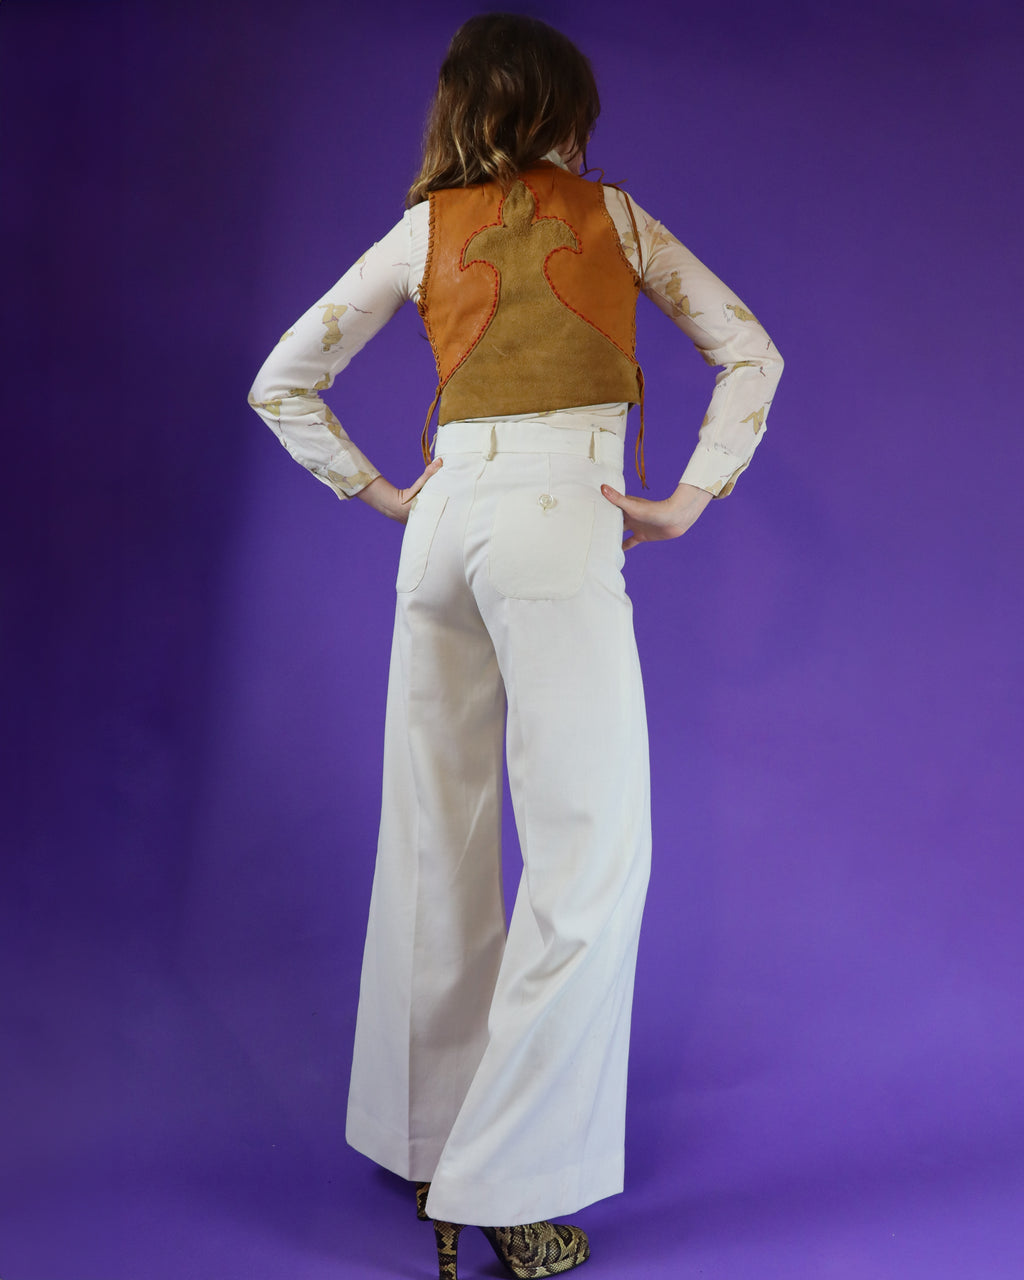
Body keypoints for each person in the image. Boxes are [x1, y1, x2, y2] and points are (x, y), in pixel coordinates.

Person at [248, 13, 783, 1278]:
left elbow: (283, 379)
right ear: (562, 111)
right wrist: (689, 494)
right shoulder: (615, 218)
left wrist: (384, 493)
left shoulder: (422, 229)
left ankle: (430, 1137)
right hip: (556, 519)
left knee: (435, 835)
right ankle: (509, 1181)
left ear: (462, 109)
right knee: (589, 853)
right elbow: (748, 350)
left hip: (441, 525)